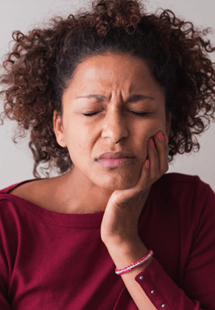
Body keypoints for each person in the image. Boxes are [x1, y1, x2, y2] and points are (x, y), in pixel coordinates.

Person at [0, 0, 215, 309]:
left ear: (166, 123)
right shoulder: (8, 228)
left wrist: (123, 239)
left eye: (139, 111)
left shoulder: (192, 207)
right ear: (60, 126)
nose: (115, 132)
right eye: (91, 112)